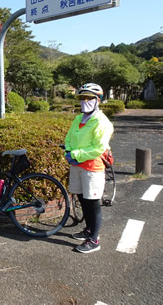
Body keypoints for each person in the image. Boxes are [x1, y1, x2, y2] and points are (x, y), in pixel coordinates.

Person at [64, 83, 114, 253]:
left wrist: (75, 154)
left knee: (93, 203)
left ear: (98, 100)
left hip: (92, 167)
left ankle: (94, 239)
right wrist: (69, 151)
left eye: (89, 98)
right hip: (77, 166)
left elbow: (98, 148)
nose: (85, 101)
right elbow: (69, 137)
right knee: (82, 199)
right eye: (82, 98)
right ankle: (88, 229)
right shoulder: (78, 119)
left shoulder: (102, 122)